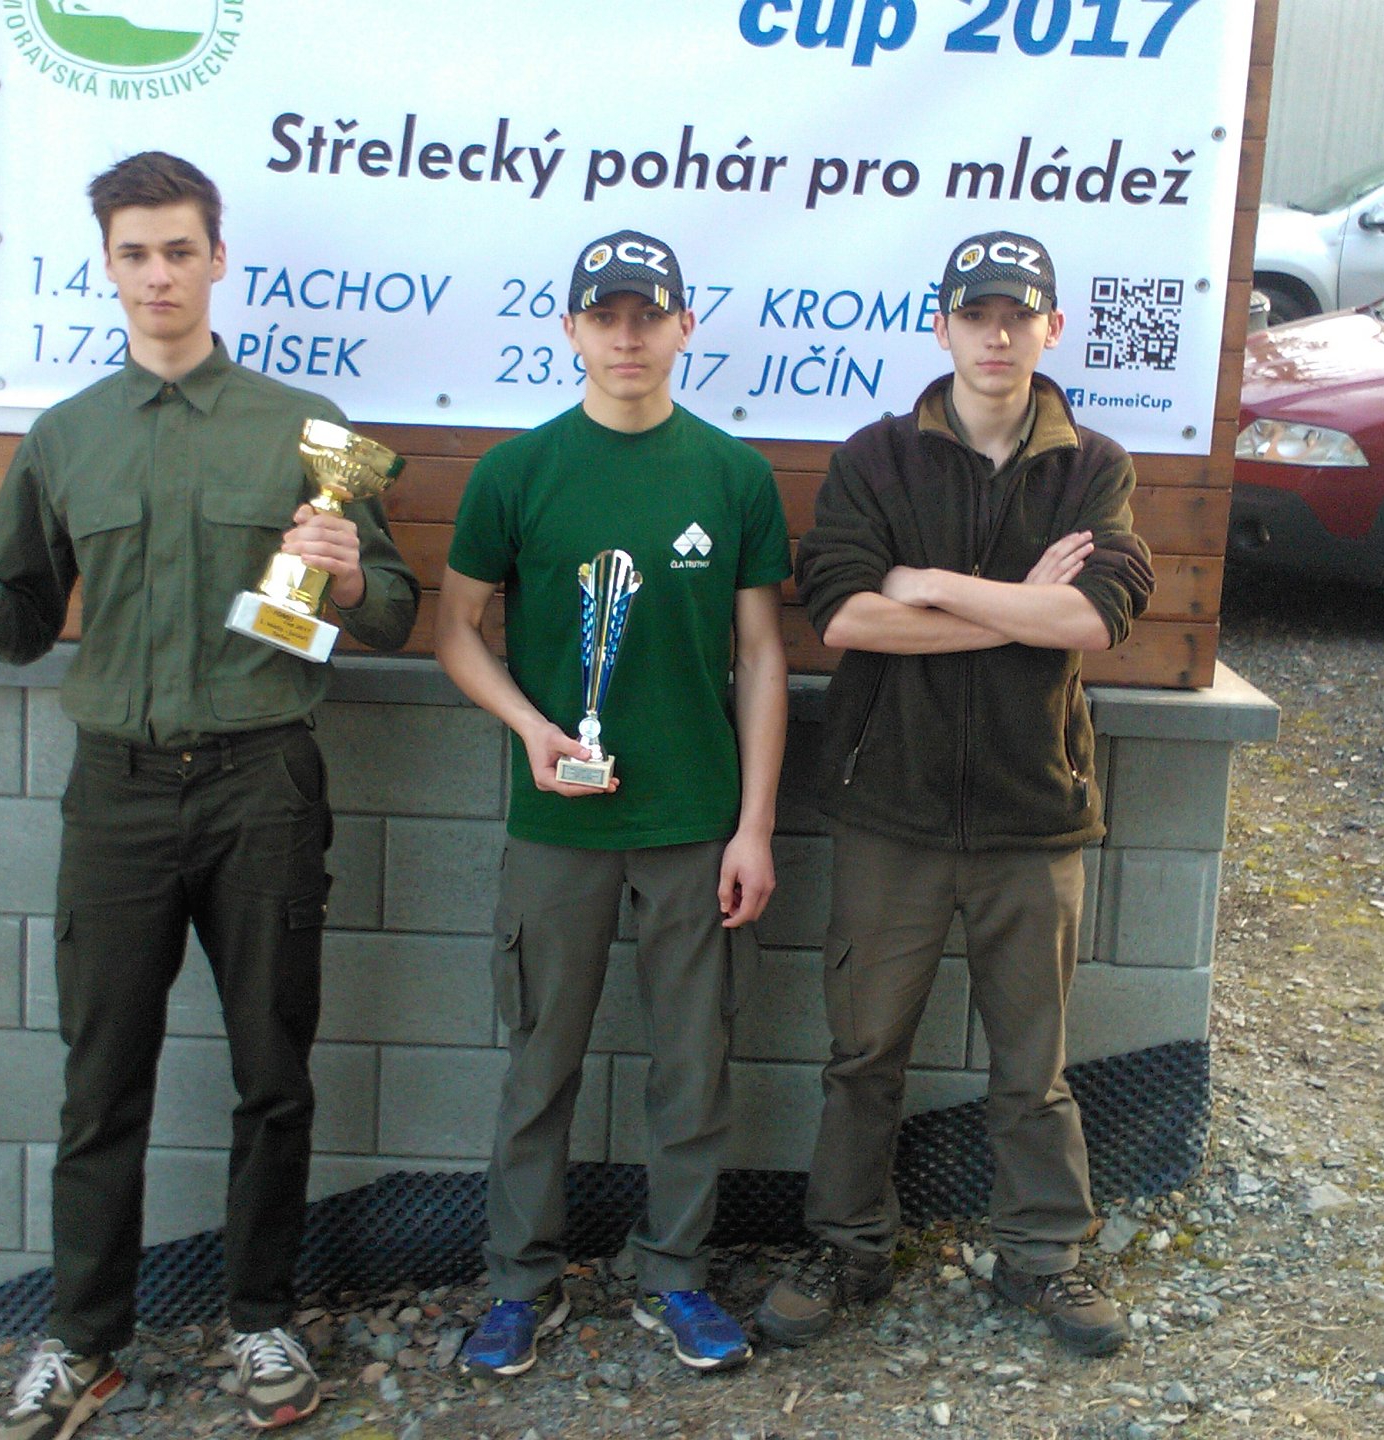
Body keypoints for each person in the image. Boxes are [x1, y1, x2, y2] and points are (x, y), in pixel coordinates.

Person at [0, 151, 417, 1436]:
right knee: (100, 1081)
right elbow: (20, 625)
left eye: (181, 250)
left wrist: (350, 574)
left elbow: (396, 614)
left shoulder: (303, 430)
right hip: (117, 793)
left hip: (262, 784)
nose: (160, 274)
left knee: (273, 1070)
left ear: (217, 260)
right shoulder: (68, 437)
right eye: (136, 253)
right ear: (110, 268)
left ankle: (261, 1320)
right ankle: (84, 1343)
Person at [754, 229, 1154, 1357]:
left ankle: (1044, 1258)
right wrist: (1013, 608)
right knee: (864, 1055)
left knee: (1033, 1067)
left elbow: (1094, 618)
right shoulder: (876, 458)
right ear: (942, 327)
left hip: (1035, 812)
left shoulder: (1092, 467)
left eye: (1018, 315)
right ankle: (848, 1247)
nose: (997, 335)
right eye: (976, 314)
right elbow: (846, 615)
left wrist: (930, 583)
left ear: (1051, 329)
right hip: (894, 808)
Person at [435, 229, 791, 1377]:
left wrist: (754, 826)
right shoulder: (516, 472)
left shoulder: (732, 475)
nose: (627, 337)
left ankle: (674, 1277)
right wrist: (531, 728)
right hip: (561, 826)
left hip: (696, 825)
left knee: (692, 1067)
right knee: (540, 1063)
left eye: (648, 316)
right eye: (605, 316)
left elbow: (763, 656)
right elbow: (455, 631)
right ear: (571, 329)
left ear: (686, 326)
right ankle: (518, 1286)